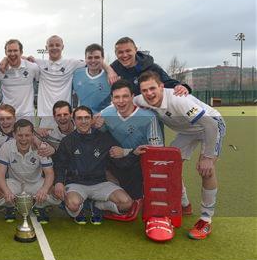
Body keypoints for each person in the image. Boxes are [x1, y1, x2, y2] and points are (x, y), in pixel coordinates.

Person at [134, 70, 226, 240]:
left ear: (162, 86)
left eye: (153, 88)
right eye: (144, 90)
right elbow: (125, 104)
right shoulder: (140, 100)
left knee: (206, 170)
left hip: (210, 126)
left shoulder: (178, 100)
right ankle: (184, 204)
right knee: (168, 166)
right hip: (188, 131)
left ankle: (205, 220)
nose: (149, 93)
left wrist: (207, 157)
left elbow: (210, 125)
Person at [53, 106, 135, 225]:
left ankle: (98, 206)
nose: (84, 121)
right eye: (79, 118)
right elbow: (60, 164)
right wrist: (59, 182)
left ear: (92, 120)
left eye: (87, 118)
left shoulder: (104, 138)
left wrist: (133, 153)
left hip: (100, 182)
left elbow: (119, 159)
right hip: (76, 183)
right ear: (74, 121)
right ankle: (81, 207)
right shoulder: (68, 141)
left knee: (127, 203)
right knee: (73, 205)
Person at [95, 79, 164, 220]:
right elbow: (98, 133)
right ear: (112, 99)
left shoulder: (149, 117)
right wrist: (97, 125)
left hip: (141, 161)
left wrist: (126, 151)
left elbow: (157, 149)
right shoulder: (107, 113)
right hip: (117, 161)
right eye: (117, 97)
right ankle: (100, 199)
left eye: (125, 96)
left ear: (133, 96)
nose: (121, 101)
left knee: (133, 198)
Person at [33, 35, 117, 128]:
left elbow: (93, 62)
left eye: (57, 45)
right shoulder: (38, 63)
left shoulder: (72, 63)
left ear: (62, 47)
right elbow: (19, 59)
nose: (54, 47)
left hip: (65, 117)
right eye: (51, 45)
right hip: (46, 117)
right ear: (46, 47)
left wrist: (110, 70)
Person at [0, 119, 59, 224]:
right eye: (20, 135)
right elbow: (0, 175)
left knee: (58, 194)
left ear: (32, 135)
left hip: (36, 183)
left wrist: (44, 189)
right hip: (14, 183)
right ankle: (11, 206)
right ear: (14, 135)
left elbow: (49, 173)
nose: (23, 139)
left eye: (27, 135)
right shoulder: (6, 147)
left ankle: (40, 206)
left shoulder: (42, 147)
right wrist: (7, 192)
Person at [110, 36, 191, 96]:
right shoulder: (114, 70)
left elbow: (167, 82)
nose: (124, 55)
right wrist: (108, 70)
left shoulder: (151, 68)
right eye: (120, 52)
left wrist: (180, 87)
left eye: (128, 51)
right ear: (115, 53)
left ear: (135, 50)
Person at [0, 39, 40, 120]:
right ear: (5, 53)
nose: (12, 54)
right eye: (9, 51)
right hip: (7, 116)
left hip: (27, 115)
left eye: (15, 50)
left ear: (21, 52)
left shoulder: (32, 67)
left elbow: (41, 83)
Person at [72, 43, 112, 114]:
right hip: (82, 119)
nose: (93, 60)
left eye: (97, 57)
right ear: (85, 59)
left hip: (102, 121)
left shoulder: (110, 76)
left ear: (102, 58)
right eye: (90, 57)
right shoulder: (76, 73)